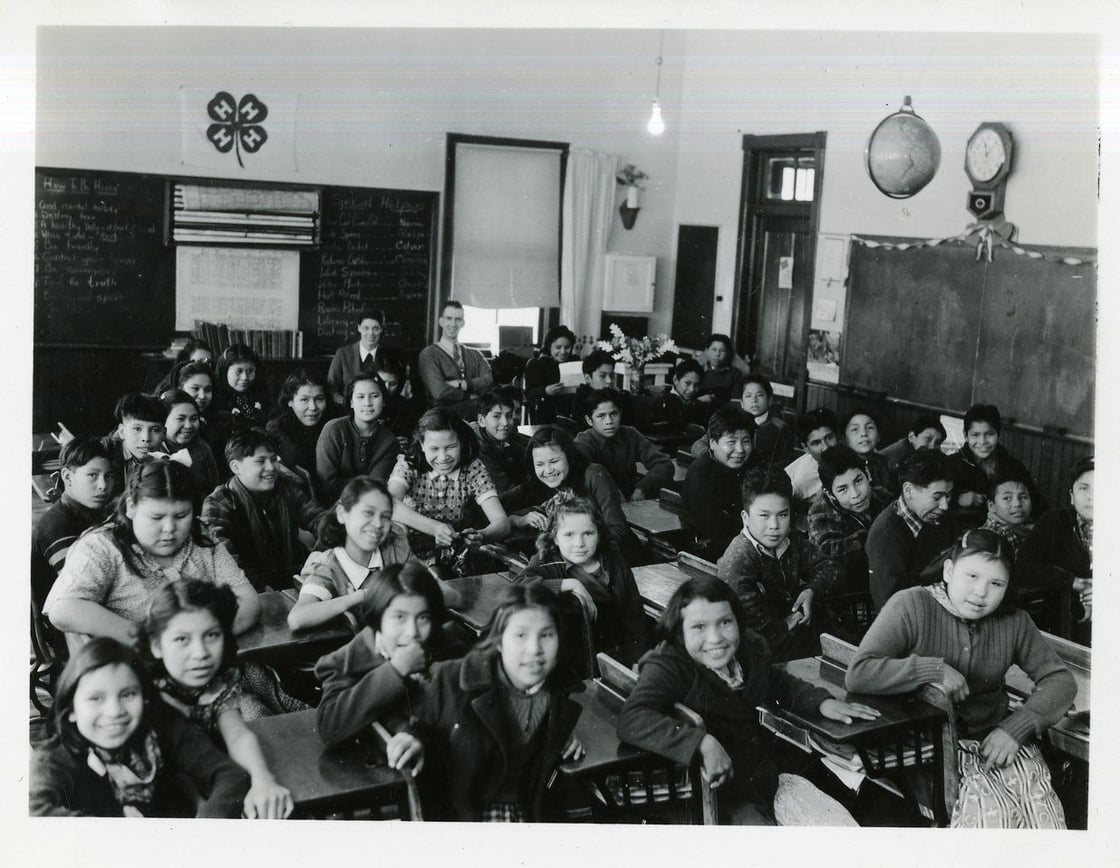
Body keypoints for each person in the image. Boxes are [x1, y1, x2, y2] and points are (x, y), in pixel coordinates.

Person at [846, 529, 1076, 828]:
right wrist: (932, 670)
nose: (981, 592)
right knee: (991, 819)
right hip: (926, 750)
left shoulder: (1014, 621)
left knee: (1042, 816)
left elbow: (1061, 681)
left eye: (996, 583)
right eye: (971, 577)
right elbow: (860, 672)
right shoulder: (911, 605)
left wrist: (1018, 726)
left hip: (996, 740)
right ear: (949, 570)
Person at [616, 576, 875, 826]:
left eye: (725, 622)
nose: (716, 638)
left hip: (760, 761)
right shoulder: (669, 663)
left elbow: (775, 681)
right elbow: (633, 718)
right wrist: (700, 742)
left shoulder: (749, 649)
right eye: (699, 627)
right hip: (713, 784)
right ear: (679, 631)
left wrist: (820, 702)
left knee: (849, 802)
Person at [403, 583, 585, 821]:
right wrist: (412, 738)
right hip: (465, 821)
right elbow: (418, 726)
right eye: (520, 635)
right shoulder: (451, 679)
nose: (534, 650)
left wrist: (562, 735)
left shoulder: (557, 697)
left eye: (547, 635)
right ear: (499, 641)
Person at [44, 459, 261, 646]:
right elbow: (63, 608)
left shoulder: (200, 536)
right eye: (156, 518)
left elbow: (248, 600)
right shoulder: (102, 546)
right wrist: (150, 641)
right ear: (131, 507)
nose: (170, 529)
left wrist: (205, 641)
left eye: (181, 515)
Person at [30, 637, 250, 817]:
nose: (115, 711)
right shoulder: (52, 762)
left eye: (128, 694)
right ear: (71, 712)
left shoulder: (163, 725)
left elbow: (230, 775)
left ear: (144, 698)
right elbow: (33, 815)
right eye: (96, 698)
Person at [141, 579, 297, 819]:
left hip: (209, 777)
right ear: (156, 646)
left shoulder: (215, 684)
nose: (201, 653)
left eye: (212, 635)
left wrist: (262, 778)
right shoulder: (143, 695)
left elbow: (237, 735)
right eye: (182, 639)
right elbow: (171, 769)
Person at [315, 561, 458, 747]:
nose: (412, 632)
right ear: (378, 618)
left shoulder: (447, 645)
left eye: (423, 618)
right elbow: (329, 727)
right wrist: (395, 670)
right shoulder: (343, 662)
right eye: (399, 617)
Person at [716, 466, 842, 661]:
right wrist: (791, 623)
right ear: (745, 518)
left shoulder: (790, 541)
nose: (774, 526)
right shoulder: (738, 561)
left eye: (782, 515)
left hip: (794, 642)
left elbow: (831, 567)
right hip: (763, 656)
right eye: (764, 516)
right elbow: (757, 632)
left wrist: (811, 591)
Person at [515, 494, 649, 666]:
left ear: (599, 534)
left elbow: (634, 618)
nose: (579, 543)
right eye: (569, 534)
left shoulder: (613, 560)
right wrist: (567, 584)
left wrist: (637, 661)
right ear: (555, 537)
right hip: (574, 661)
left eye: (588, 533)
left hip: (618, 655)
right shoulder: (547, 560)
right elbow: (518, 586)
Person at [201, 429, 325, 592]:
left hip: (293, 578)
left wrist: (322, 551)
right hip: (247, 589)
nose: (271, 468)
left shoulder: (286, 487)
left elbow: (320, 520)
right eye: (260, 462)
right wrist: (261, 588)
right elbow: (223, 558)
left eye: (273, 460)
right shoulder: (218, 503)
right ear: (236, 467)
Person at [289, 477, 416, 631]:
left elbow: (440, 591)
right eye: (368, 513)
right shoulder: (330, 567)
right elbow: (297, 618)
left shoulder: (394, 546)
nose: (378, 524)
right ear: (342, 514)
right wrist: (360, 597)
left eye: (386, 516)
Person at [387, 407, 510, 564]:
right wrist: (435, 528)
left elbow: (502, 523)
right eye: (434, 449)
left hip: (453, 554)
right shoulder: (409, 463)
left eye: (451, 447)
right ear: (422, 445)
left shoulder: (472, 468)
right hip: (408, 554)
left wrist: (482, 535)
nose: (443, 457)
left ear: (461, 443)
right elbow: (388, 503)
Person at [500, 425, 630, 549]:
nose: (548, 470)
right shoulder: (536, 483)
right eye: (540, 464)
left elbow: (617, 530)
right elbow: (495, 509)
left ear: (569, 457)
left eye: (554, 461)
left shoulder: (593, 474)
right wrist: (518, 520)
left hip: (611, 556)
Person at [865, 449, 958, 610]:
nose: (944, 506)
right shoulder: (885, 536)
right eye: (936, 497)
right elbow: (890, 607)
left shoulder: (935, 515)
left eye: (948, 495)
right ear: (908, 491)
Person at [1018, 456, 1093, 645]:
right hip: (1064, 629)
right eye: (1084, 488)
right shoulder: (1055, 522)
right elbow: (1024, 567)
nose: (1092, 496)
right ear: (1071, 495)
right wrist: (1071, 581)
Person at [808, 445, 891, 600]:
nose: (856, 494)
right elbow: (827, 552)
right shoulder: (820, 511)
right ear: (829, 494)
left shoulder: (881, 496)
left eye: (858, 481)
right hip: (850, 590)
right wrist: (871, 538)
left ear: (867, 474)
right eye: (842, 489)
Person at [946, 403, 1044, 528]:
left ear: (998, 434)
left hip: (1009, 531)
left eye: (989, 434)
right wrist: (957, 498)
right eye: (975, 435)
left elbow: (1037, 502)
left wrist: (1034, 524)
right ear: (965, 435)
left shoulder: (1012, 465)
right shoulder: (952, 464)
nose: (982, 442)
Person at [680, 405, 757, 561]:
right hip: (713, 552)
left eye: (746, 441)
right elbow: (714, 532)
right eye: (731, 442)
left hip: (749, 543)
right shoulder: (700, 474)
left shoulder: (754, 463)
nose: (740, 449)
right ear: (713, 443)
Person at [573, 387, 673, 502]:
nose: (609, 421)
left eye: (613, 414)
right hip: (599, 503)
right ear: (589, 420)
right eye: (601, 416)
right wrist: (612, 492)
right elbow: (582, 476)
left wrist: (642, 488)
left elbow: (664, 464)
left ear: (620, 413)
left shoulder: (630, 434)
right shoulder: (583, 442)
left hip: (633, 499)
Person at [315, 372, 400, 503]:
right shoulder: (334, 430)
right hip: (332, 507)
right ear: (351, 402)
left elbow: (376, 487)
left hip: (371, 505)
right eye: (360, 397)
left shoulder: (389, 441)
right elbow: (327, 484)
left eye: (375, 396)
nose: (367, 403)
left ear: (384, 401)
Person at [265, 368, 332, 501]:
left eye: (319, 399)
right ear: (290, 401)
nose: (313, 407)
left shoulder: (333, 425)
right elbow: (297, 460)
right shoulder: (276, 428)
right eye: (304, 400)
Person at [417, 300, 493, 416]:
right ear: (441, 321)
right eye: (449, 318)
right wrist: (470, 395)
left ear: (463, 323)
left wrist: (462, 384)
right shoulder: (428, 355)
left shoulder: (475, 354)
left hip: (475, 416)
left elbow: (490, 379)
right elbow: (439, 392)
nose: (453, 324)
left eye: (458, 319)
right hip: (442, 417)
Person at [100, 393, 167, 498]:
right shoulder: (105, 453)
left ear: (164, 433)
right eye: (137, 429)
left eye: (155, 430)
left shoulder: (165, 461)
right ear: (122, 431)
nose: (146, 438)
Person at [159, 390, 220, 500]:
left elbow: (213, 490)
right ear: (163, 420)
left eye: (194, 419)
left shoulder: (203, 449)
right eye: (180, 419)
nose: (188, 425)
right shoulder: (154, 450)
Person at [327, 310, 394, 406]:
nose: (371, 333)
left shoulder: (388, 355)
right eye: (366, 328)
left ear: (381, 329)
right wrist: (349, 404)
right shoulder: (343, 353)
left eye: (375, 328)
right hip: (347, 410)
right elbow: (331, 389)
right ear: (359, 328)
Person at [784, 408, 839, 511]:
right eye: (816, 443)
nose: (825, 447)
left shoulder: (847, 457)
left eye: (829, 437)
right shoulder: (800, 481)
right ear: (805, 448)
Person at [473, 389, 524, 494]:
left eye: (509, 416)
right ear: (481, 421)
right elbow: (506, 489)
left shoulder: (506, 438)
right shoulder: (480, 450)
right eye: (496, 416)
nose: (505, 423)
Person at [523, 324, 577, 423]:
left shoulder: (575, 362)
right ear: (549, 347)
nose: (563, 351)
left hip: (573, 412)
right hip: (547, 414)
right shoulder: (537, 364)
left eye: (567, 347)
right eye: (558, 347)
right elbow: (529, 393)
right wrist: (545, 391)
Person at [211, 343, 269, 435]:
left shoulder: (261, 393)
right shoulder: (215, 398)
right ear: (225, 371)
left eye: (250, 371)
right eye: (238, 371)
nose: (245, 377)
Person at [740, 374, 795, 469]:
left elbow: (786, 461)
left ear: (770, 400)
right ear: (741, 403)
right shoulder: (735, 424)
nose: (754, 400)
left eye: (760, 395)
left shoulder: (780, 427)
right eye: (748, 396)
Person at [979, 465, 1035, 556]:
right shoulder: (994, 535)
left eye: (1023, 497)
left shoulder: (1025, 527)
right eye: (1007, 498)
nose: (1017, 504)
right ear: (991, 506)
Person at [572, 349, 633, 426]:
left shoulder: (621, 396)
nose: (609, 381)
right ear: (588, 378)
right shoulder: (582, 401)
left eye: (611, 375)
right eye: (602, 376)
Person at [841, 409, 896, 495]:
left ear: (878, 436)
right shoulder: (840, 467)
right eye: (855, 429)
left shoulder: (889, 465)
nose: (864, 433)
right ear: (844, 440)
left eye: (870, 428)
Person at [653, 357, 713, 429]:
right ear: (675, 380)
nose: (692, 389)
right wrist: (697, 403)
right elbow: (678, 418)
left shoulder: (701, 397)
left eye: (696, 385)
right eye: (687, 383)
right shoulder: (665, 399)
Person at [880, 413, 946, 472]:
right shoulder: (890, 460)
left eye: (938, 443)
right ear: (911, 437)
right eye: (928, 439)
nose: (932, 447)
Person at [698, 333, 744, 406]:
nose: (717, 354)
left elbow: (735, 402)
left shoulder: (735, 374)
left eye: (722, 351)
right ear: (707, 351)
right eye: (714, 349)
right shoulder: (698, 370)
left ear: (727, 353)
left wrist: (713, 400)